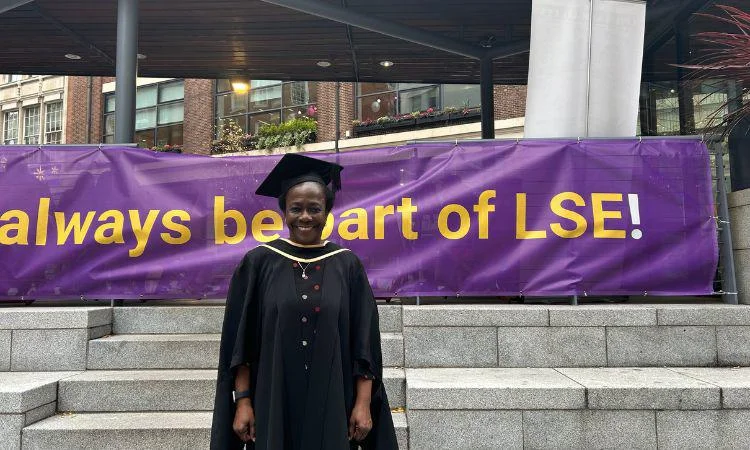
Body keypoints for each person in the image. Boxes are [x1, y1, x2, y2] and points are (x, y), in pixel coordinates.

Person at [211, 153, 398, 450]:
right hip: (272, 400)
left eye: (315, 208)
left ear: (327, 212)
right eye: (296, 208)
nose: (305, 216)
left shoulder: (347, 266)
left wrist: (363, 404)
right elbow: (241, 344)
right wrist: (243, 402)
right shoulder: (259, 264)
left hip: (335, 401)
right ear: (284, 211)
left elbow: (365, 347)